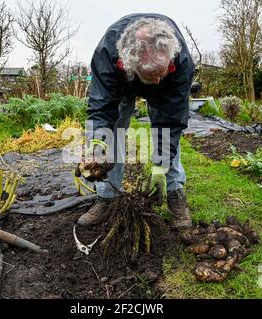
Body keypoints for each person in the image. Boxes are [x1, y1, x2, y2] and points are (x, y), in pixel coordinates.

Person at [77, 13, 195, 229]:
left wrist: (161, 165)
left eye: (162, 72)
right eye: (153, 76)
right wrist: (97, 143)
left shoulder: (181, 62)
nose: (157, 80)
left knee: (168, 131)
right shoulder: (107, 56)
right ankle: (107, 197)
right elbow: (101, 107)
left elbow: (172, 120)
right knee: (111, 132)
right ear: (127, 65)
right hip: (123, 84)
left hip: (167, 88)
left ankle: (175, 192)